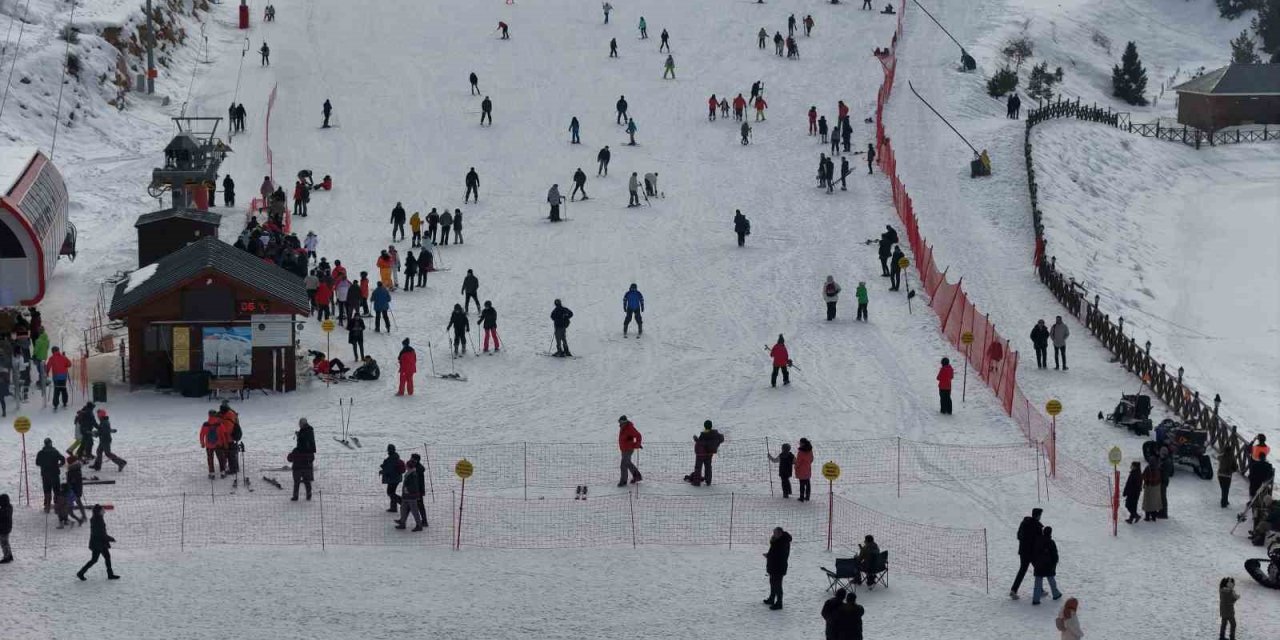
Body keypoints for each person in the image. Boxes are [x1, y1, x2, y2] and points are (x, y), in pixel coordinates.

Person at [76, 505, 118, 580]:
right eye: (102, 510)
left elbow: (102, 533)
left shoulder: (98, 518)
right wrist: (110, 538)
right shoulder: (97, 520)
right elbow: (100, 534)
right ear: (98, 511)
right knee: (94, 559)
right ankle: (80, 573)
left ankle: (110, 574)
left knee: (107, 557)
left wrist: (108, 538)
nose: (104, 511)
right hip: (97, 544)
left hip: (101, 543)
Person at [1010, 507, 1043, 598]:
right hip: (1032, 553)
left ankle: (1013, 590)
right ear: (1037, 516)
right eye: (1040, 515)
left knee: (1022, 570)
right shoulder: (1037, 526)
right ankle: (1040, 590)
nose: (1040, 517)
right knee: (1039, 570)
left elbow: (1018, 536)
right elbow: (1039, 541)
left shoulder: (1024, 523)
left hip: (1023, 551)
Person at [395, 455, 427, 531]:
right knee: (403, 509)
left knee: (415, 510)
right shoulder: (409, 473)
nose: (405, 466)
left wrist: (408, 490)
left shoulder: (414, 474)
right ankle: (402, 523)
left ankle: (419, 525)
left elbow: (415, 485)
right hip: (406, 496)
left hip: (411, 496)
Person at [1031, 526, 1062, 605]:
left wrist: (1035, 563)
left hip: (1038, 565)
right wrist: (1055, 563)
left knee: (1038, 583)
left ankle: (1036, 599)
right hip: (1048, 566)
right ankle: (1056, 594)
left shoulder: (1037, 541)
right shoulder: (1051, 542)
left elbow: (1034, 553)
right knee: (1051, 580)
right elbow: (1055, 555)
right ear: (1050, 533)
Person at [763, 527, 791, 610]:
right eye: (773, 533)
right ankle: (771, 598)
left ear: (780, 533)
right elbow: (774, 551)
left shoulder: (782, 542)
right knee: (772, 582)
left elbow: (779, 555)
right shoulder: (777, 541)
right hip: (774, 566)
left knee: (778, 585)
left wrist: (768, 555)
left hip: (779, 567)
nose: (773, 535)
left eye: (775, 533)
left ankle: (779, 603)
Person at [35, 438, 64, 512]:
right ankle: (57, 506)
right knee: (56, 490)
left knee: (47, 490)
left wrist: (44, 464)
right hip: (55, 474)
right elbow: (63, 459)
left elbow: (37, 463)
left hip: (45, 474)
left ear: (45, 444)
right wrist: (59, 465)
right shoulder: (55, 452)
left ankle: (47, 506)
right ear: (51, 443)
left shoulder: (41, 453)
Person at [693, 420, 724, 485]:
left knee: (698, 467)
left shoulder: (703, 434)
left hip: (701, 454)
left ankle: (696, 482)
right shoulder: (715, 434)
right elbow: (721, 439)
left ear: (704, 426)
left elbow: (701, 443)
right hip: (709, 453)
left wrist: (696, 439)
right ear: (711, 426)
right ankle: (708, 481)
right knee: (708, 467)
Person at [617, 416, 643, 486]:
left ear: (624, 421)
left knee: (623, 465)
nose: (619, 423)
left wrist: (637, 444)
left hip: (628, 449)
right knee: (627, 463)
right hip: (624, 449)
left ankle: (623, 481)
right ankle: (637, 476)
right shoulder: (623, 427)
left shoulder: (629, 428)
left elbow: (638, 435)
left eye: (620, 421)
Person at [1218, 442, 1237, 508]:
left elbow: (1218, 457)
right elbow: (1235, 467)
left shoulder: (1221, 456)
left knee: (1223, 488)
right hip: (1227, 475)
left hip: (1220, 474)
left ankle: (1225, 500)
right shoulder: (1232, 457)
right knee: (1226, 489)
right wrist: (1231, 470)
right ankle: (1224, 502)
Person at [0, 493, 11, 564]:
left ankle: (7, 557)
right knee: (6, 542)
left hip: (3, 529)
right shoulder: (9, 508)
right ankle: (9, 555)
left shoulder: (4, 510)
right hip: (7, 528)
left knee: (4, 543)